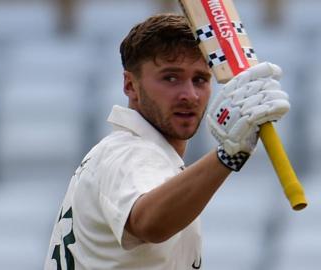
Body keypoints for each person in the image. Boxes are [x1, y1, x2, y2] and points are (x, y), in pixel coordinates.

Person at [44, 13, 290, 269]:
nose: (190, 95)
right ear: (130, 85)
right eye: (170, 78)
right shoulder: (131, 153)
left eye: (200, 79)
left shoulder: (134, 154)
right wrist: (226, 156)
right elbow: (149, 223)